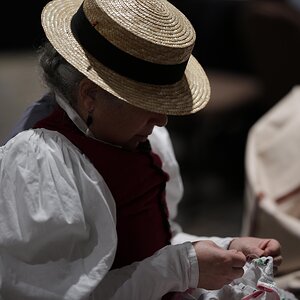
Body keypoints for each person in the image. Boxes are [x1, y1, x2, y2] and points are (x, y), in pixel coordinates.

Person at [0, 0, 283, 299]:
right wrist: (180, 267)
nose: (161, 119)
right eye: (147, 104)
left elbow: (156, 242)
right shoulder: (40, 166)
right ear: (89, 95)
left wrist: (226, 249)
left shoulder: (144, 138)